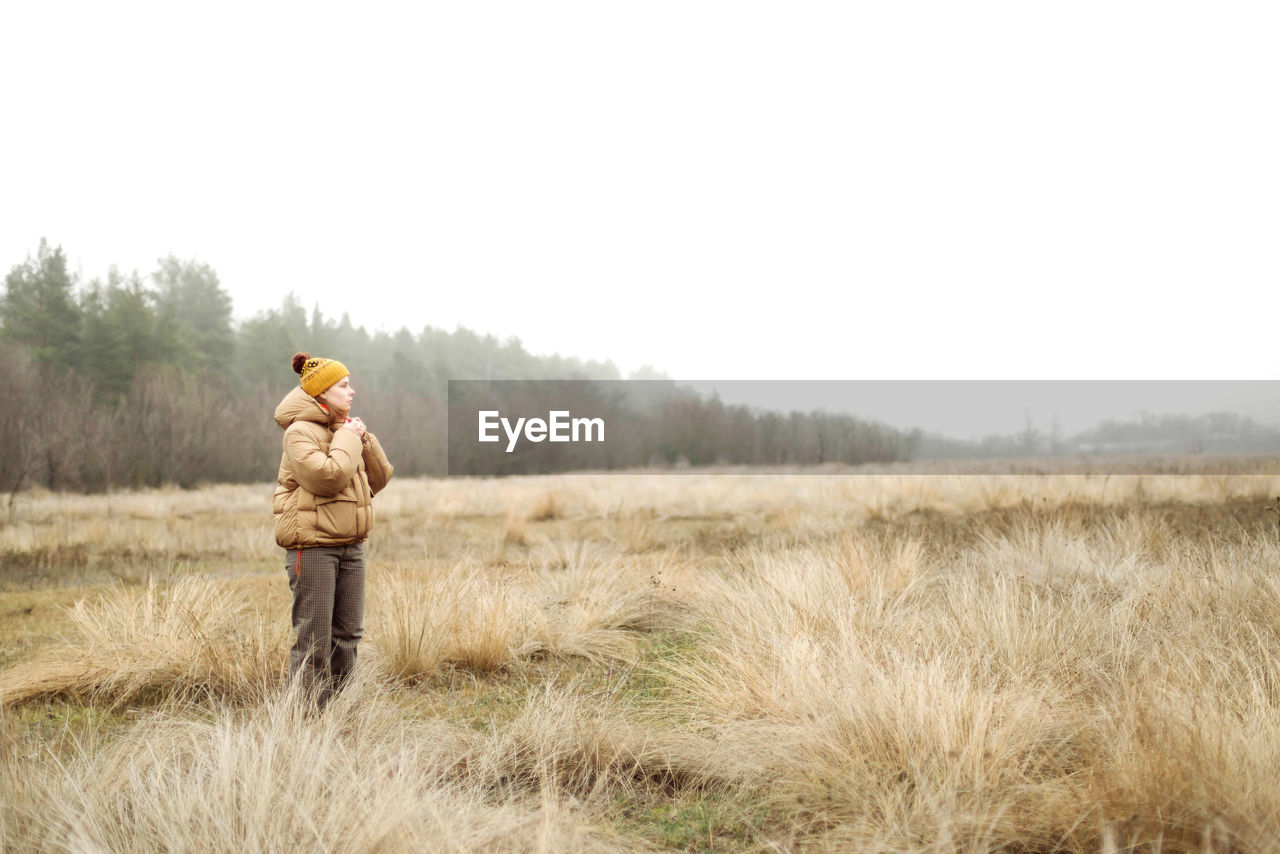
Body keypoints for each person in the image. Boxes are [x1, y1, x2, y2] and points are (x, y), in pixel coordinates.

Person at [272, 352, 394, 712]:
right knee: (314, 641)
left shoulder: (341, 431)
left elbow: (381, 477)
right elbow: (328, 477)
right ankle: (305, 719)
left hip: (351, 546)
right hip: (312, 549)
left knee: (348, 636)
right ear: (323, 392)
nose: (351, 391)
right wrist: (348, 438)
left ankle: (339, 713)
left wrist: (362, 437)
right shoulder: (299, 432)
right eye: (343, 385)